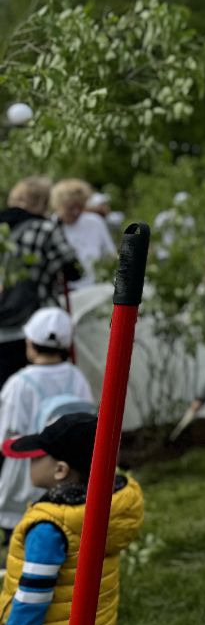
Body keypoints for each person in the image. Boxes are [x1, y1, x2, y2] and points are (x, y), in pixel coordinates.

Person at [0, 411, 144, 625]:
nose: (30, 462)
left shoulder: (50, 527)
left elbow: (32, 598)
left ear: (60, 470)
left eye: (37, 456)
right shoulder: (108, 507)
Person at [0, 310, 95, 540]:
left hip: (27, 476)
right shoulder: (76, 376)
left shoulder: (19, 384)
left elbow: (6, 434)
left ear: (30, 343)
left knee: (23, 535)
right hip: (68, 472)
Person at [0, 180, 82, 388]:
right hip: (38, 327)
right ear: (43, 202)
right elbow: (74, 270)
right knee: (42, 389)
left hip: (3, 329)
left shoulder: (3, 231)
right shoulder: (45, 228)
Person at [49, 181, 115, 289]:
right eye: (70, 208)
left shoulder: (95, 222)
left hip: (95, 287)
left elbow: (109, 254)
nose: (76, 212)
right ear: (58, 206)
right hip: (67, 291)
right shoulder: (51, 227)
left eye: (80, 207)